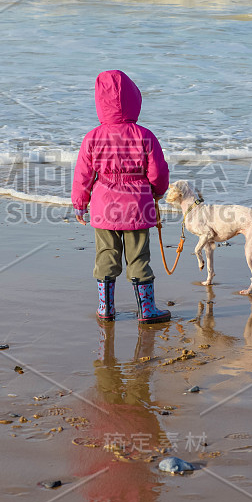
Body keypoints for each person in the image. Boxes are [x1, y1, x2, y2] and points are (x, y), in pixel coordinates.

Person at [71, 69, 171, 323]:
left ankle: (106, 309)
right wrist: (157, 192)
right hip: (137, 205)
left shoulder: (92, 137)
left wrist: (79, 203)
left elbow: (83, 174)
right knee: (138, 256)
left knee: (106, 254)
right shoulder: (144, 135)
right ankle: (146, 310)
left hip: (104, 205)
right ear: (133, 100)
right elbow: (157, 172)